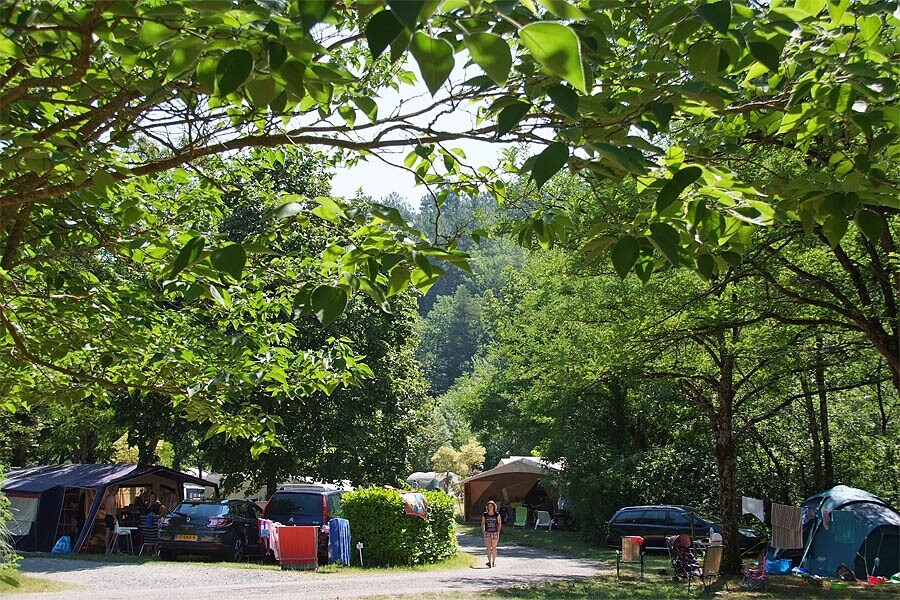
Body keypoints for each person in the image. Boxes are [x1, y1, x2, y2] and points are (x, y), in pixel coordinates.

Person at [481, 500, 502, 568]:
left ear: (494, 507)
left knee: (494, 547)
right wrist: (484, 531)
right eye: (489, 506)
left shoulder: (497, 514)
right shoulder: (485, 515)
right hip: (487, 532)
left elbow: (499, 523)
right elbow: (483, 523)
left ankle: (493, 562)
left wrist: (498, 532)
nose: (490, 507)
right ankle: (490, 562)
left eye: (491, 506)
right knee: (488, 548)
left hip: (495, 532)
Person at [104, 486, 118, 553]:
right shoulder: (112, 498)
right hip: (111, 516)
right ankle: (117, 549)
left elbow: (103, 505)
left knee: (107, 534)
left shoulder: (106, 497)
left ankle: (107, 549)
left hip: (107, 515)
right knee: (115, 534)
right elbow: (112, 508)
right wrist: (115, 518)